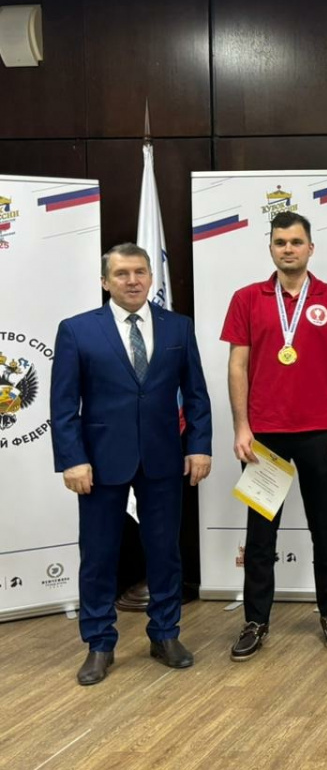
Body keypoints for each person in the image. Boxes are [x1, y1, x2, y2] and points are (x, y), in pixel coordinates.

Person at [51, 243, 213, 686]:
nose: (132, 280)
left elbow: (196, 394)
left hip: (164, 457)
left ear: (151, 277)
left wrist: (199, 446)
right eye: (121, 273)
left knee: (165, 552)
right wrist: (73, 459)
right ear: (105, 281)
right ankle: (99, 643)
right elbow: (63, 405)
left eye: (140, 272)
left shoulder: (178, 327)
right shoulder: (77, 330)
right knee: (98, 555)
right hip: (100, 462)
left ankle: (165, 634)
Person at [220, 211, 327, 660]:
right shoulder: (247, 298)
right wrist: (241, 426)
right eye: (280, 242)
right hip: (264, 437)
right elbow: (237, 365)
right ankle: (255, 621)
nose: (288, 249)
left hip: (320, 433)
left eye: (296, 242)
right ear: (270, 248)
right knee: (261, 536)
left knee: (326, 529)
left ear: (310, 248)